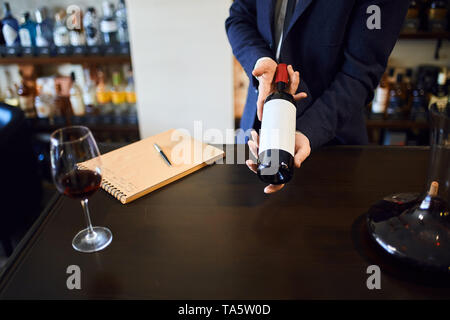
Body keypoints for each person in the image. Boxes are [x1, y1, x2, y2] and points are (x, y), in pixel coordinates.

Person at [225, 0, 409, 193]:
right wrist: (259, 59)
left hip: (327, 146)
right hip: (254, 134)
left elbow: (359, 73)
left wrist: (307, 131)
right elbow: (239, 17)